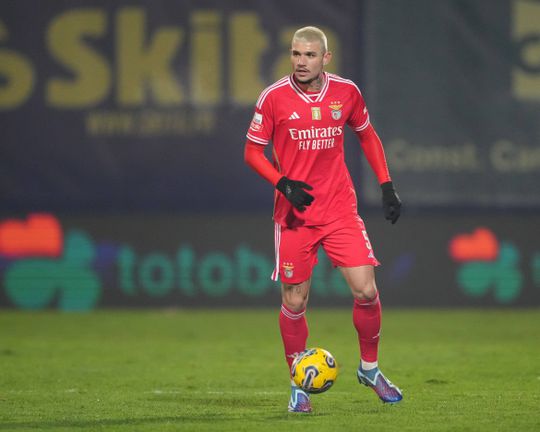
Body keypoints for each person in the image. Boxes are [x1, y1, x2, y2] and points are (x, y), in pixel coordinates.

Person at [244, 26, 403, 413]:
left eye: (309, 55)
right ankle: (298, 385)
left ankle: (370, 369)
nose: (301, 62)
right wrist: (283, 183)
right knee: (295, 300)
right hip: (295, 215)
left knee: (366, 290)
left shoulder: (346, 92)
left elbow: (367, 135)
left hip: (339, 209)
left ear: (325, 58)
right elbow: (252, 152)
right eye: (296, 54)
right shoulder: (274, 98)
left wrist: (386, 185)